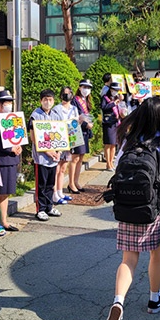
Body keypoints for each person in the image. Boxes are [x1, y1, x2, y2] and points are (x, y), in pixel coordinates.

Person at [103, 96, 160, 320]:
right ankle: (154, 299)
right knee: (155, 256)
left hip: (127, 208)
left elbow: (118, 171)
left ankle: (118, 302)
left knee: (128, 259)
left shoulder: (127, 142)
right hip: (152, 211)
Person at [0, 90, 22, 234]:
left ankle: (4, 221)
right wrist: (10, 148)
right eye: (6, 103)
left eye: (10, 102)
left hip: (12, 160)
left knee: (6, 192)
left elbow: (19, 136)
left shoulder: (13, 118)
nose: (8, 105)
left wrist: (19, 146)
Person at [28, 89, 63, 221]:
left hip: (54, 157)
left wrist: (58, 151)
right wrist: (48, 151)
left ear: (54, 101)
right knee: (41, 185)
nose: (48, 102)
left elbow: (61, 135)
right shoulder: (35, 115)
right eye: (45, 100)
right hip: (41, 157)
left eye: (50, 100)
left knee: (50, 184)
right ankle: (40, 209)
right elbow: (33, 137)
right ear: (41, 101)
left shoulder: (56, 114)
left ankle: (49, 206)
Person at [52, 87, 78, 204]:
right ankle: (54, 193)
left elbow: (75, 123)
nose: (66, 96)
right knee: (57, 167)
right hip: (60, 140)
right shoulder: (57, 109)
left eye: (68, 93)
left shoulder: (74, 109)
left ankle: (60, 191)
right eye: (64, 94)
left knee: (63, 167)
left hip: (70, 139)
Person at [69, 79, 94, 194]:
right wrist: (85, 124)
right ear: (79, 87)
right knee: (75, 158)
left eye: (88, 88)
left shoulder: (87, 100)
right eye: (84, 87)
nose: (86, 90)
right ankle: (71, 183)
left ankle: (76, 181)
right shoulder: (75, 100)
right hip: (76, 131)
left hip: (85, 132)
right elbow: (74, 116)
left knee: (81, 158)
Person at [102, 82, 123, 172]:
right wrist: (113, 103)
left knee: (114, 144)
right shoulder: (105, 98)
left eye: (117, 90)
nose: (115, 92)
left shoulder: (117, 98)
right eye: (114, 90)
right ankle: (108, 163)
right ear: (110, 90)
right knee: (108, 144)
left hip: (116, 122)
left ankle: (111, 162)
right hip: (108, 123)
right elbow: (103, 107)